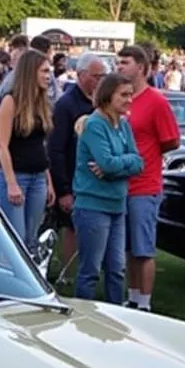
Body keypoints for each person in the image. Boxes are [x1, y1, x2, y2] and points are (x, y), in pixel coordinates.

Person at [116, 44, 180, 311]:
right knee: (129, 247)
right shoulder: (121, 99)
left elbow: (172, 140)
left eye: (125, 63)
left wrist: (147, 155)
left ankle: (145, 302)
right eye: (118, 63)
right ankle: (132, 296)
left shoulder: (156, 101)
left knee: (143, 247)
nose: (120, 67)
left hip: (145, 185)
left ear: (141, 68)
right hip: (122, 184)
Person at [72, 73, 143, 304]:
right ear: (107, 95)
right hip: (93, 206)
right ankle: (83, 317)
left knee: (117, 269)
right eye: (123, 95)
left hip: (117, 205)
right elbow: (106, 162)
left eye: (130, 94)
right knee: (90, 270)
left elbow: (138, 162)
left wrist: (116, 167)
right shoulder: (94, 125)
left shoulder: (123, 124)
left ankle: (115, 315)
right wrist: (121, 164)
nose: (129, 99)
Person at [47, 53, 108, 269]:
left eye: (103, 76)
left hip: (96, 181)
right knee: (71, 228)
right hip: (72, 180)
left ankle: (89, 268)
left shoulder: (100, 105)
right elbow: (56, 148)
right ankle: (68, 273)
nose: (101, 81)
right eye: (96, 76)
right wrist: (63, 189)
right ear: (81, 75)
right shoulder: (66, 105)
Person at [0, 48, 55, 253]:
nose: (49, 76)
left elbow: (41, 145)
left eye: (49, 71)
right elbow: (2, 144)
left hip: (38, 175)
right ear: (31, 73)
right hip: (16, 175)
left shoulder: (42, 104)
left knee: (32, 237)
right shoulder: (10, 102)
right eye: (44, 71)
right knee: (16, 239)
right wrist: (11, 183)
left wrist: (48, 180)